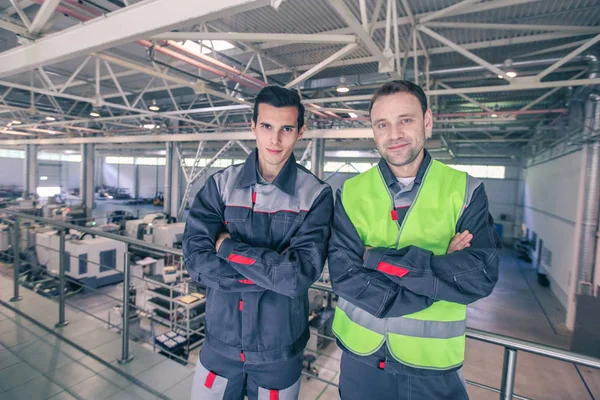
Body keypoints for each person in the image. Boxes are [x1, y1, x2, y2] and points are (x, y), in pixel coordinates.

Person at [328, 80, 502, 400]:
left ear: (427, 121)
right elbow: (343, 276)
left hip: (431, 369)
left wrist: (374, 258)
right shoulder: (351, 192)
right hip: (360, 361)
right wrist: (438, 274)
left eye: (405, 120)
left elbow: (479, 276)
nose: (394, 134)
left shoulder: (465, 191)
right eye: (383, 124)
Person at [183, 85, 333, 400]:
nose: (275, 140)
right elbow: (196, 260)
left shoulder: (315, 196)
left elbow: (297, 277)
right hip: (219, 346)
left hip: (278, 352)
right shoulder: (219, 186)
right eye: (266, 126)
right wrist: (271, 273)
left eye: (286, 129)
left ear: (301, 131)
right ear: (252, 127)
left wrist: (226, 249)